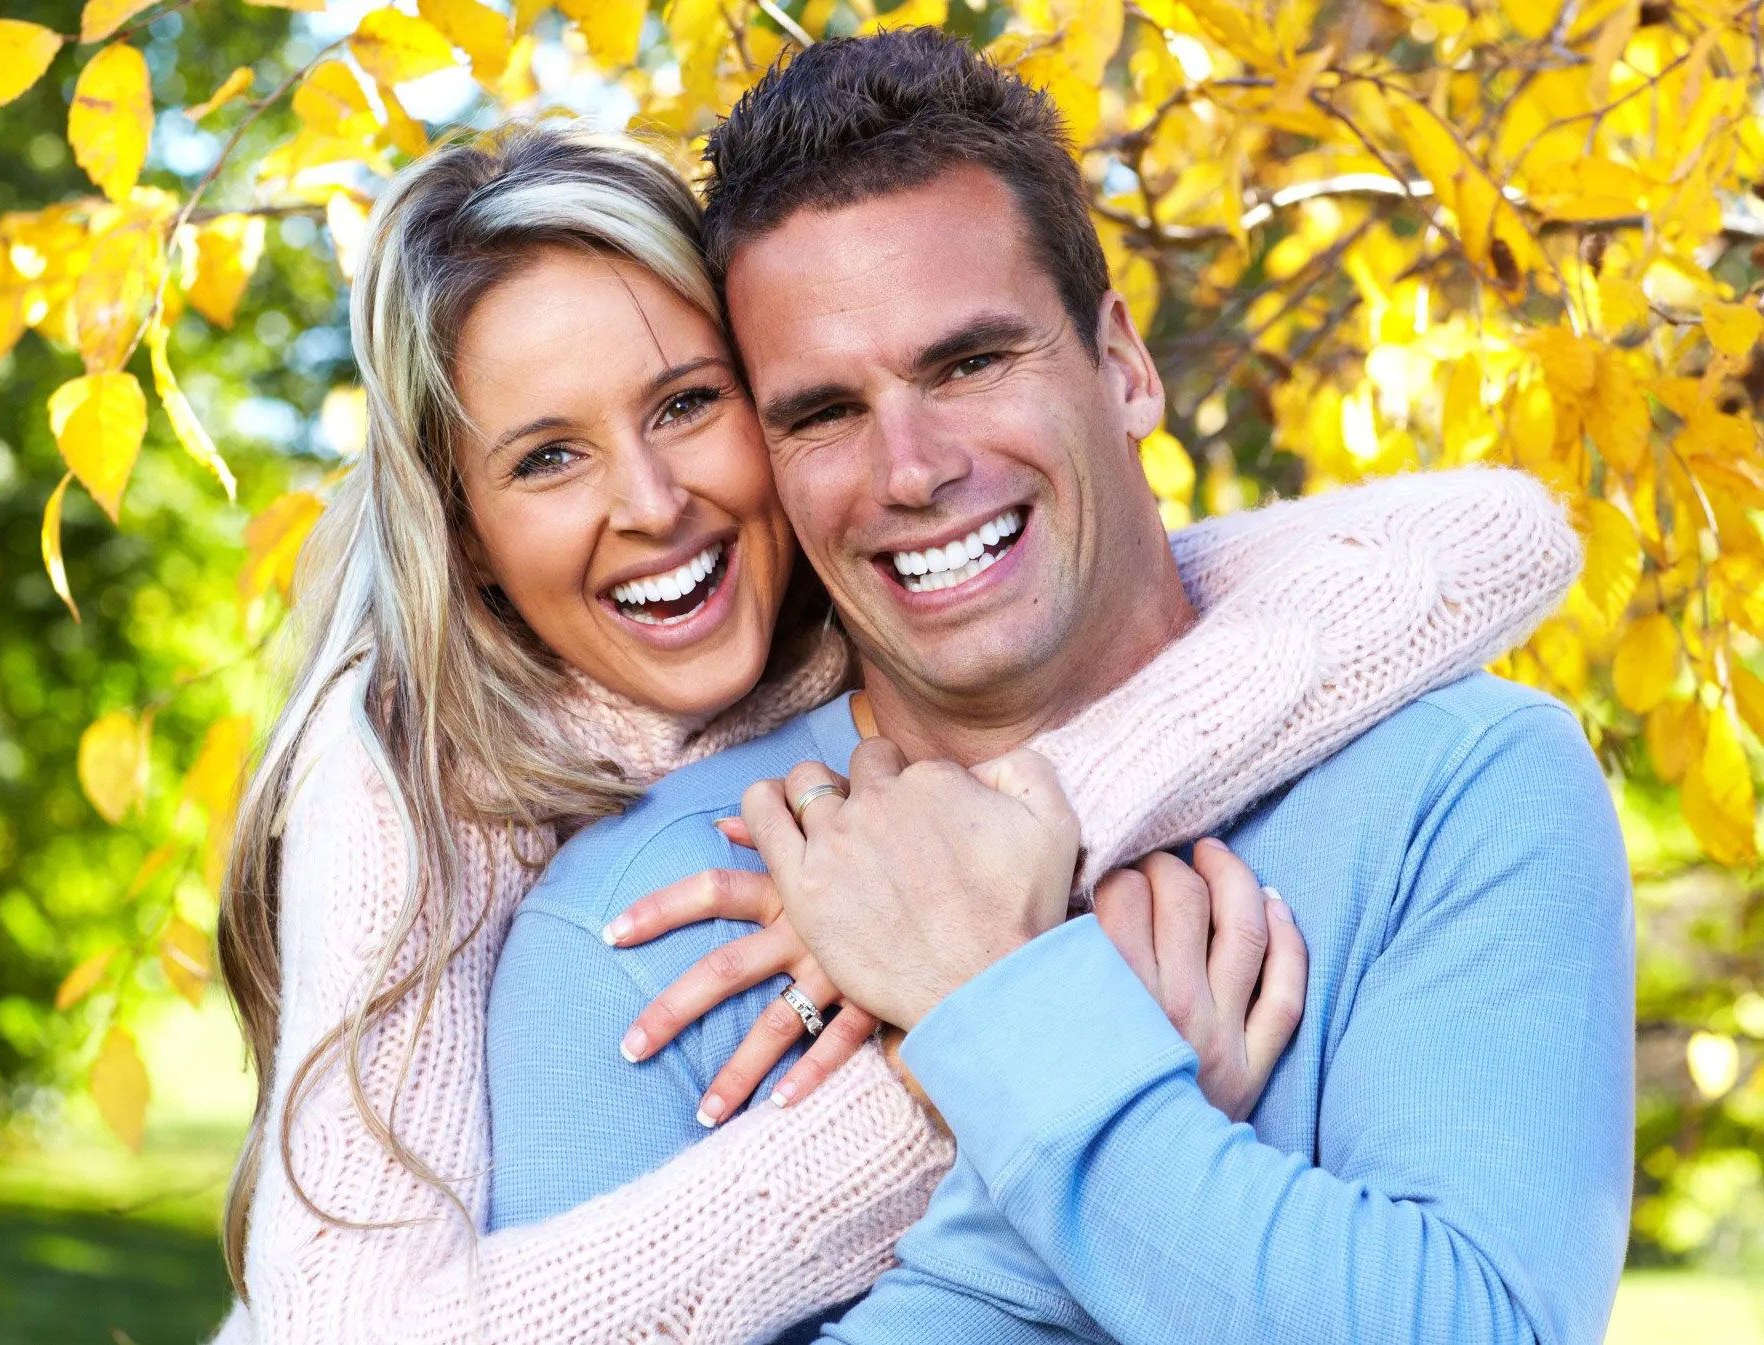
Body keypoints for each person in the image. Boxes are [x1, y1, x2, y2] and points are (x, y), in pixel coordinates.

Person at [208, 123, 1578, 1345]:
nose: (912, 470)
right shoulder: (540, 875)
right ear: (470, 543)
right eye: (825, 410)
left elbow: (1454, 551)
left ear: (1124, 367)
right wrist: (1040, 1079)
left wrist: (987, 953)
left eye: (690, 404)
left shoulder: (1459, 771)